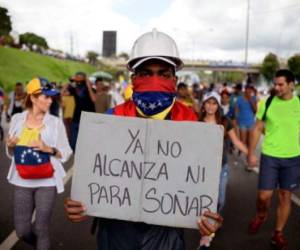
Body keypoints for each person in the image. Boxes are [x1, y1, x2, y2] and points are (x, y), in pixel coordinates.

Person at [64, 29, 223, 250]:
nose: (155, 81)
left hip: (166, 232)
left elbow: (196, 184)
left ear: (175, 80)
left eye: (163, 74)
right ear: (133, 79)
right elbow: (94, 180)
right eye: (146, 73)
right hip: (116, 229)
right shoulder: (111, 120)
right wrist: (80, 204)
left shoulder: (191, 123)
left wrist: (207, 216)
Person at [6, 78, 72, 250]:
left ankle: (43, 245)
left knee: (41, 229)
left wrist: (49, 149)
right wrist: (10, 146)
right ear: (33, 98)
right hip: (22, 181)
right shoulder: (17, 119)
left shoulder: (55, 123)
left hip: (47, 182)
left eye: (52, 98)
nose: (51, 101)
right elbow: (12, 154)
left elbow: (66, 152)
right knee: (22, 230)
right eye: (46, 97)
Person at [247, 69, 300, 250]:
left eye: (281, 84)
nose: (276, 87)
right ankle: (261, 215)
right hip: (270, 156)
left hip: (293, 158)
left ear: (291, 84)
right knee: (264, 196)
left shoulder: (299, 104)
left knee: (285, 196)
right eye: (275, 84)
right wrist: (251, 153)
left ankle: (278, 233)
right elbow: (256, 129)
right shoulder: (267, 102)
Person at [198, 91, 248, 248]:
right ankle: (206, 235)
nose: (211, 106)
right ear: (203, 104)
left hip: (221, 167)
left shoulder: (225, 122)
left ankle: (213, 224)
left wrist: (250, 154)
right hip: (202, 169)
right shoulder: (197, 122)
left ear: (218, 105)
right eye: (208, 102)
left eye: (214, 103)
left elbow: (236, 141)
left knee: (220, 200)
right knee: (204, 200)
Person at [68, 72, 96, 150]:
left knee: (85, 142)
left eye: (80, 79)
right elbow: (62, 93)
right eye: (77, 79)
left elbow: (94, 99)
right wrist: (70, 81)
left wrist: (88, 85)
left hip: (87, 119)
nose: (78, 81)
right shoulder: (75, 89)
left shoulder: (90, 89)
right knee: (72, 143)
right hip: (76, 118)